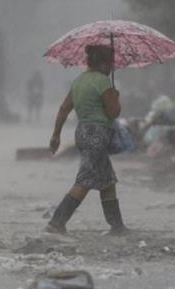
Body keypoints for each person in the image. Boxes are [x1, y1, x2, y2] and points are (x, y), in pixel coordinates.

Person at [45, 45, 129, 235]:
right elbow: (112, 113)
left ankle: (117, 227)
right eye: (110, 64)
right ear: (102, 63)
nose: (112, 68)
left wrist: (56, 135)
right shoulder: (103, 82)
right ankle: (56, 222)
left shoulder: (78, 81)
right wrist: (115, 97)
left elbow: (63, 110)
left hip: (82, 133)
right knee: (84, 181)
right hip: (97, 136)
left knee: (107, 181)